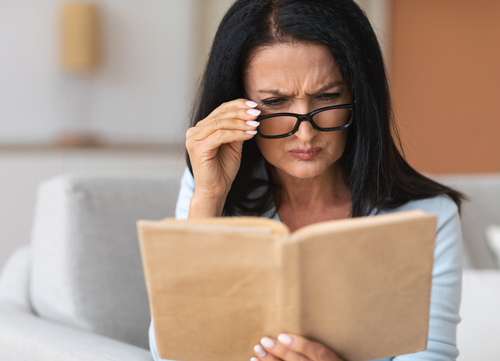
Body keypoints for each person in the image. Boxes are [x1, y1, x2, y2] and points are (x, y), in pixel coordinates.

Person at [149, 0, 464, 360]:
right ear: (237, 104)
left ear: (359, 97)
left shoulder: (428, 216)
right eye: (275, 102)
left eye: (328, 96)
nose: (305, 132)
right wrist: (207, 198)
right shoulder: (209, 193)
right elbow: (171, 354)